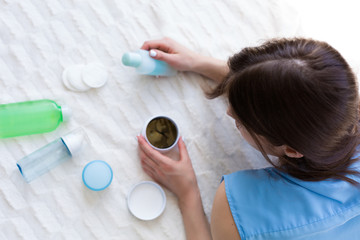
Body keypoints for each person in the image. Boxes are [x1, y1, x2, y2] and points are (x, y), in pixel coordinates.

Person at [137, 37, 360, 240]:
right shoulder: (339, 105)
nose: (229, 112)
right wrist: (196, 62)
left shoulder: (242, 209)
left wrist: (188, 193)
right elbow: (292, 85)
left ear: (291, 150)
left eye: (241, 122)